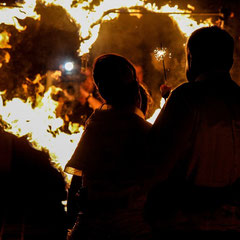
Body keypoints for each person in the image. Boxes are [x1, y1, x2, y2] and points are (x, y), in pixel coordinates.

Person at [145, 26, 240, 235]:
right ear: (230, 62)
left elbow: (155, 162)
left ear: (192, 59)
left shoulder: (186, 97)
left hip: (186, 223)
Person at [65, 53, 152, 239]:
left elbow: (77, 182)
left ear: (101, 89)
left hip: (90, 228)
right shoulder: (144, 131)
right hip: (131, 230)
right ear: (135, 87)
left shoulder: (96, 124)